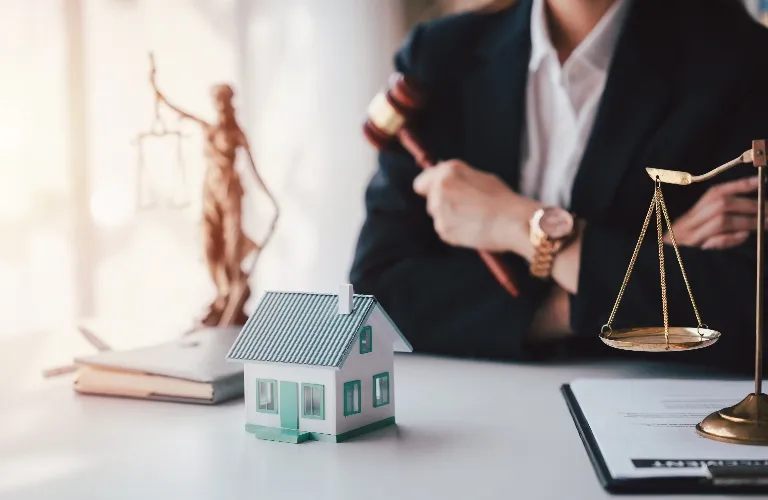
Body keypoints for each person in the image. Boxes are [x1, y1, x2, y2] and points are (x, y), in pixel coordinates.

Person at [349, 0, 768, 368]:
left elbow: (745, 310)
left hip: (647, 412)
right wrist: (625, 280)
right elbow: (379, 295)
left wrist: (515, 222)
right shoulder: (441, 55)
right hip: (476, 408)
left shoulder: (739, 61)